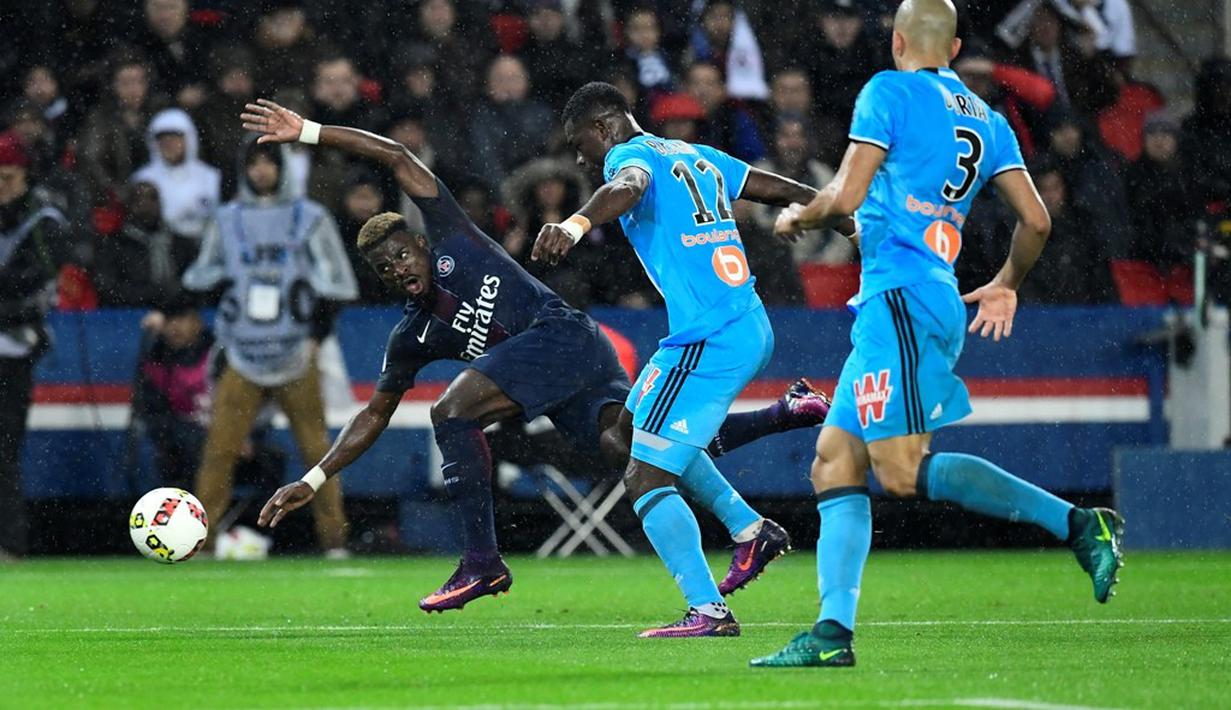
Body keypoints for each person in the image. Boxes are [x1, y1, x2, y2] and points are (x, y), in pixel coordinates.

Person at [240, 97, 831, 613]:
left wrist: (310, 131)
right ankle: (772, 452)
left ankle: (481, 562)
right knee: (635, 445)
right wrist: (315, 477)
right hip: (554, 377)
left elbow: (395, 155)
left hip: (566, 337)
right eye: (384, 268)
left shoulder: (453, 236)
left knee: (453, 410)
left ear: (420, 241)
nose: (397, 268)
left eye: (400, 254)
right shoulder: (414, 336)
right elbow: (375, 413)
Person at [749, 0, 1124, 669]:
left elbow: (843, 196)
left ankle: (1076, 522)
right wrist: (1006, 281)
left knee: (898, 472)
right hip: (916, 300)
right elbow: (1037, 221)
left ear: (897, 41)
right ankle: (831, 635)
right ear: (952, 50)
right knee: (835, 460)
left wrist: (795, 218)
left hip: (902, 301)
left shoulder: (886, 91)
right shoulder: (987, 118)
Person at [531, 81, 849, 637]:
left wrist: (574, 223)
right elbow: (772, 187)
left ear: (603, 127)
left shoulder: (629, 158)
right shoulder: (696, 154)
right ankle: (750, 529)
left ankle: (709, 610)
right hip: (741, 321)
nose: (581, 159)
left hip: (712, 335)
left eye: (581, 145)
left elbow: (629, 185)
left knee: (644, 477)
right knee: (625, 434)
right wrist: (840, 215)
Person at [183, 136, 358, 557]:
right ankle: (201, 541)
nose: (261, 170)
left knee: (317, 451)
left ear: (282, 167)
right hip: (242, 351)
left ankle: (334, 540)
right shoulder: (227, 219)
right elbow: (202, 278)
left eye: (268, 162)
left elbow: (336, 285)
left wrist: (316, 335)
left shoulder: (309, 217)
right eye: (254, 163)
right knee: (220, 450)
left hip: (295, 350)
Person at [0, 134, 73, 560]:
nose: (2, 187)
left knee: (4, 447)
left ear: (26, 176)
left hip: (13, 348)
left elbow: (35, 281)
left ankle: (9, 543)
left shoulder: (43, 220)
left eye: (8, 177)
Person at [131, 108, 222, 242]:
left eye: (174, 138)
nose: (168, 144)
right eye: (162, 139)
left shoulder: (211, 177)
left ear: (189, 139)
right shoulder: (143, 180)